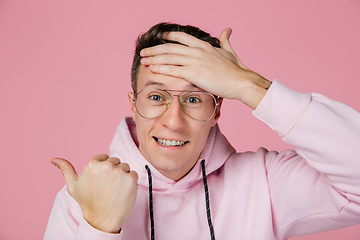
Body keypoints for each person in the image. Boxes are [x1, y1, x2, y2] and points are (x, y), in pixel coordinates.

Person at [44, 22, 360, 240]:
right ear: (133, 104)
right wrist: (99, 227)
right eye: (156, 97)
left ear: (217, 109)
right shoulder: (84, 198)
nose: (174, 121)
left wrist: (249, 85)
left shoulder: (264, 183)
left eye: (194, 98)